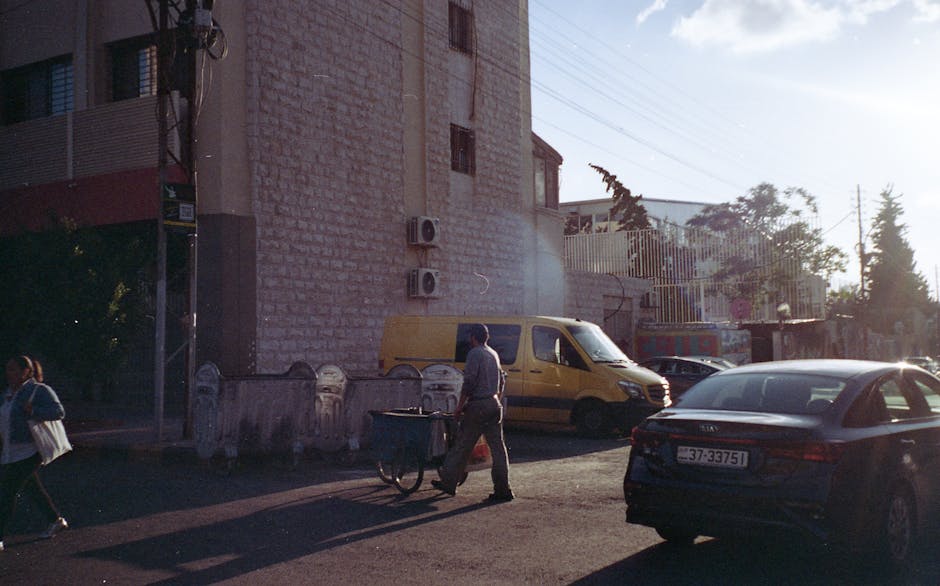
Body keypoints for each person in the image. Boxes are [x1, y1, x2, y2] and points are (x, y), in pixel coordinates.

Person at [432, 324, 514, 502]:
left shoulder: (474, 354)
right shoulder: (493, 354)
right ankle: (503, 489)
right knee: (498, 449)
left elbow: (468, 383)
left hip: (478, 405)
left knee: (462, 445)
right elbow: (501, 382)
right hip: (494, 403)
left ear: (472, 337)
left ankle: (448, 483)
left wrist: (459, 407)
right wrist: (494, 398)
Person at [0, 355, 68, 552]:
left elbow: (58, 412)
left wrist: (34, 411)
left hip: (30, 450)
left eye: (13, 369)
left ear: (26, 372)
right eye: (7, 369)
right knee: (31, 488)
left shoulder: (38, 390)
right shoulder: (7, 394)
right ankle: (55, 520)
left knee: (7, 492)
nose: (8, 373)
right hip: (10, 451)